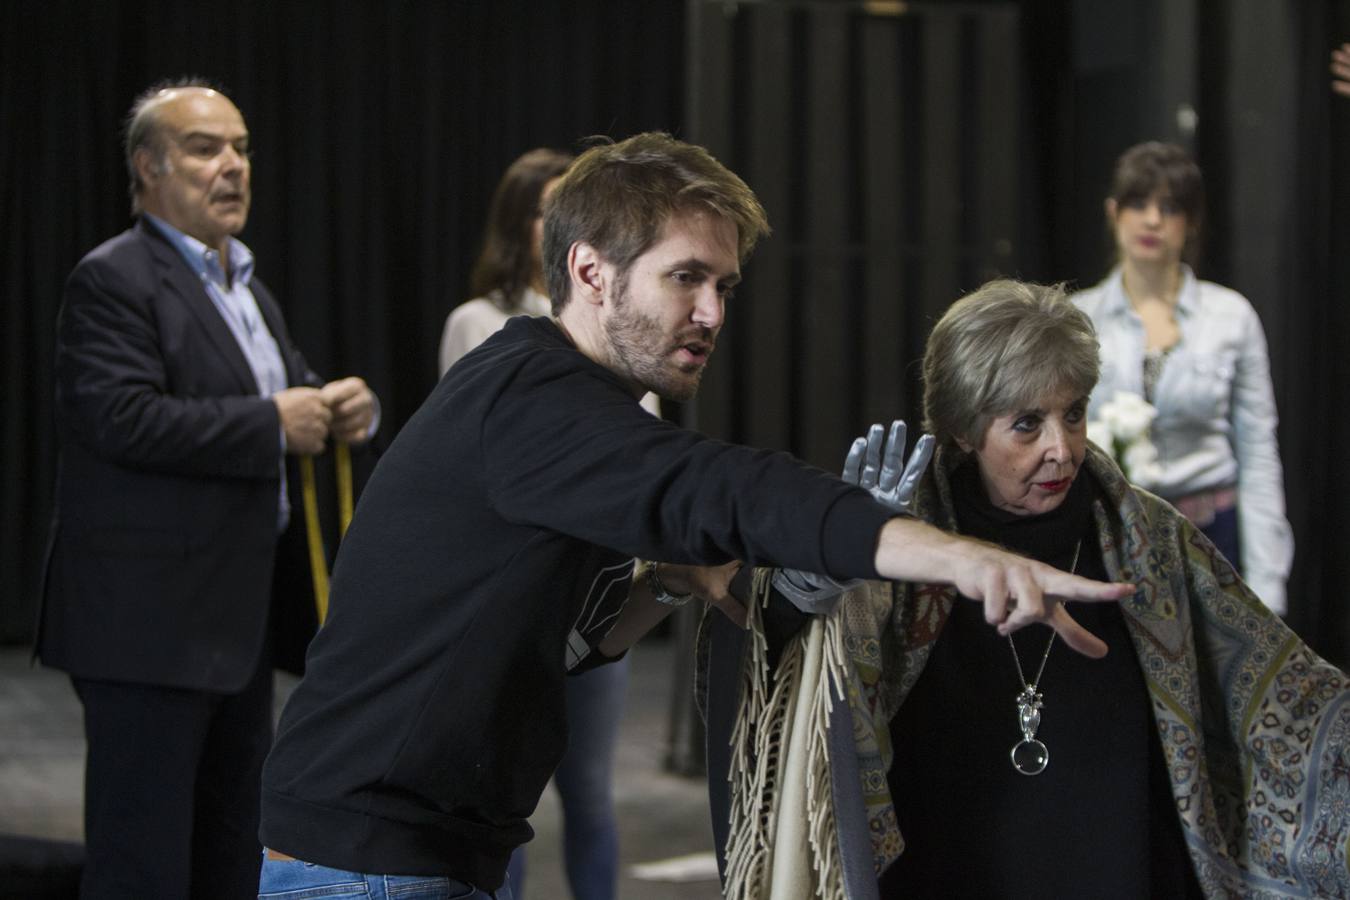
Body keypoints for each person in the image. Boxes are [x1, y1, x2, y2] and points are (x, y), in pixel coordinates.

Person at [257, 133, 1130, 900]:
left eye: (724, 284)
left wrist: (669, 585)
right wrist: (964, 559)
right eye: (685, 278)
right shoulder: (532, 397)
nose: (711, 313)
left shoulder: (570, 406)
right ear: (590, 271)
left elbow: (567, 642)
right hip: (368, 867)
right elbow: (725, 487)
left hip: (416, 855)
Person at [705, 280, 1350, 899]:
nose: (1062, 450)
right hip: (951, 866)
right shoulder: (903, 552)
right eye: (1026, 425)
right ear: (962, 429)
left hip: (1118, 864)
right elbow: (775, 668)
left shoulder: (1149, 539)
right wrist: (842, 561)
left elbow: (1290, 695)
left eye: (1073, 415)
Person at [36, 79, 378, 900]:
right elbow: (121, 419)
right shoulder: (112, 279)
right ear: (148, 168)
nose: (233, 166)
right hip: (148, 630)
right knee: (143, 866)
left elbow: (279, 396)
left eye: (242, 147)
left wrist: (337, 406)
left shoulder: (245, 286)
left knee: (230, 856)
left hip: (235, 625)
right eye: (205, 148)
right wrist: (270, 422)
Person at [439, 147, 656, 900]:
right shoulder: (479, 324)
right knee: (502, 797)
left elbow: (642, 462)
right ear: (519, 224)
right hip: (510, 606)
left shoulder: (624, 322)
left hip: (596, 599)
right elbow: (472, 470)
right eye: (548, 209)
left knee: (589, 795)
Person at [1071, 142, 1293, 614]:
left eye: (1170, 208)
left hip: (1210, 536)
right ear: (1113, 212)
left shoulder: (1231, 317)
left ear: (1191, 222)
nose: (1152, 219)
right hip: (1106, 536)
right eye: (1138, 203)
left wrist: (1268, 583)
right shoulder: (1077, 318)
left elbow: (1257, 452)